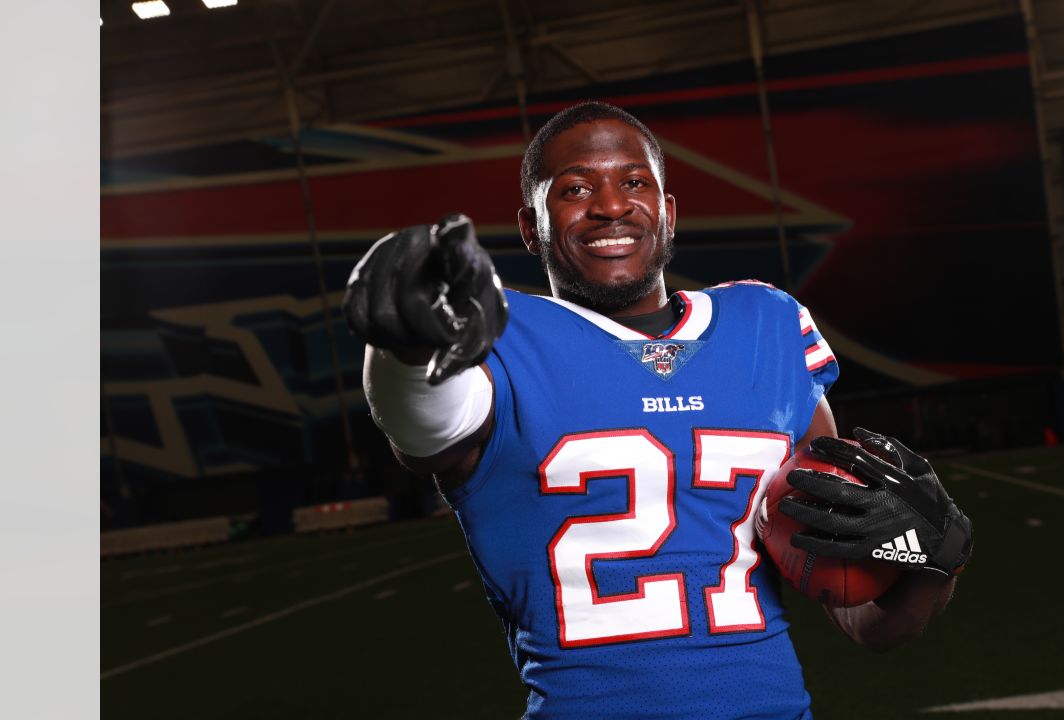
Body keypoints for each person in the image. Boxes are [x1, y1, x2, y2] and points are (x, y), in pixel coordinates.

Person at [344, 102, 973, 719]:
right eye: (574, 189)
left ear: (667, 213)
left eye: (634, 181)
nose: (611, 205)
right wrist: (404, 345)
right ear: (532, 226)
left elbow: (863, 620)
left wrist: (933, 564)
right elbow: (425, 423)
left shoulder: (768, 325)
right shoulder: (500, 334)